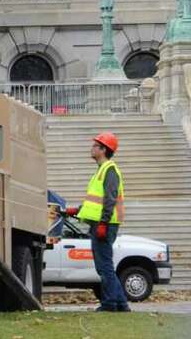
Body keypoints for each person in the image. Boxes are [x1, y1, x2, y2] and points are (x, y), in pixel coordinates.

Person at [67, 131, 128, 314]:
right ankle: (121, 304)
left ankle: (110, 304)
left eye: (95, 145)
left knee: (105, 266)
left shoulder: (109, 170)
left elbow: (109, 199)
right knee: (104, 266)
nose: (91, 148)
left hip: (105, 224)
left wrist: (103, 223)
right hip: (102, 223)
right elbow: (96, 200)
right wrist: (77, 210)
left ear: (103, 149)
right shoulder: (101, 170)